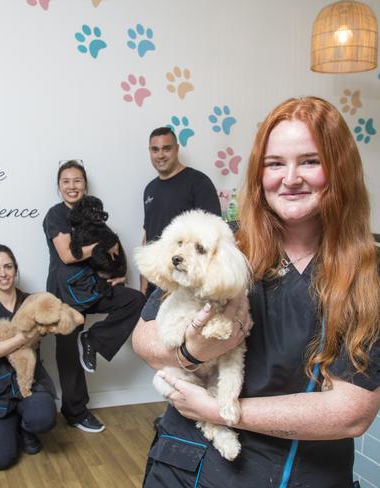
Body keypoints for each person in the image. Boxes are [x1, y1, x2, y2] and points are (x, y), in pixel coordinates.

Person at [132, 97, 380, 487]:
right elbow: (144, 339)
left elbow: (352, 412)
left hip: (295, 472)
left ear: (340, 170)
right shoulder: (221, 244)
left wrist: (221, 410)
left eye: (310, 161)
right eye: (275, 163)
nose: (291, 177)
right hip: (185, 463)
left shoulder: (368, 274)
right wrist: (191, 351)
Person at [43, 160, 146, 432]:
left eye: (77, 180)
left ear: (85, 185)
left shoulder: (93, 211)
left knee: (135, 300)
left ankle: (94, 339)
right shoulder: (55, 215)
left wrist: (117, 272)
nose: (72, 186)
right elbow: (67, 254)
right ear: (59, 187)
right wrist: (103, 246)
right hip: (65, 290)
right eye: (66, 181)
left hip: (93, 286)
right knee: (66, 352)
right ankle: (75, 411)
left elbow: (113, 243)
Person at [0, 244, 61, 470]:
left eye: (8, 266)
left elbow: (42, 336)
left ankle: (26, 429)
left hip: (30, 381)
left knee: (43, 418)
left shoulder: (35, 301)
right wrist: (22, 337)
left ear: (16, 269)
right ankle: (0, 426)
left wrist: (5, 344)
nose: (3, 273)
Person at [141, 127, 221, 296]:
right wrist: (143, 286)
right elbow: (147, 237)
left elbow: (214, 238)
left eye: (166, 148)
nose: (160, 155)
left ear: (177, 149)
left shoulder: (199, 182)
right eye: (155, 150)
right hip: (157, 282)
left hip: (185, 284)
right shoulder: (149, 189)